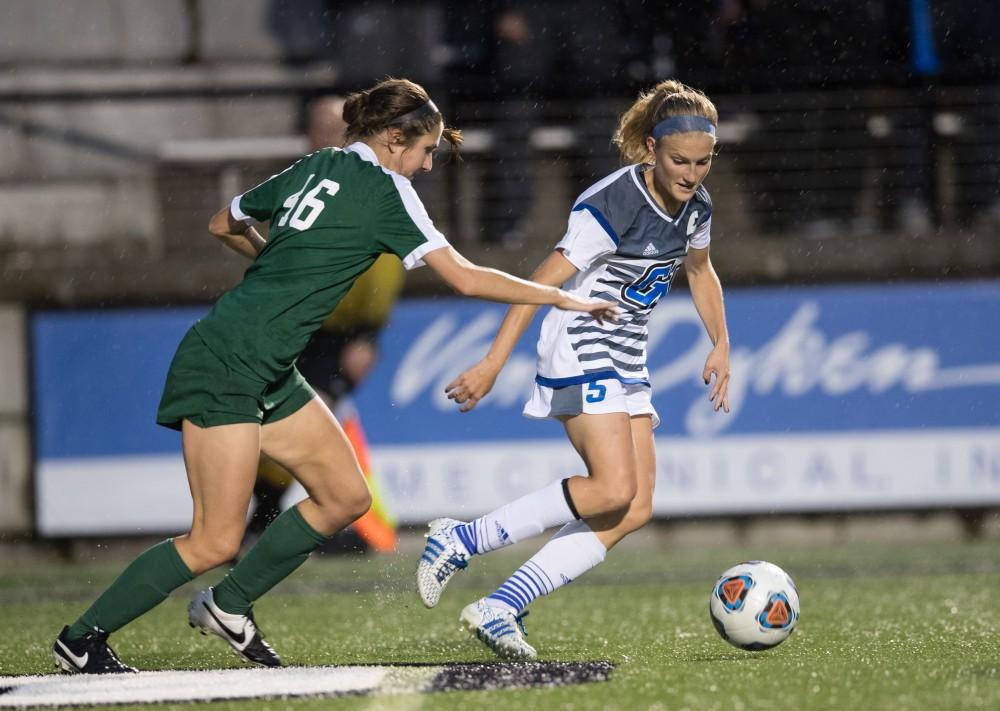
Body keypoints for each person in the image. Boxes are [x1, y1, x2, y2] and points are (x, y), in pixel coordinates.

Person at [51, 77, 618, 675]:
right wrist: (562, 300)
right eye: (425, 152)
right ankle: (81, 637)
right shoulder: (388, 190)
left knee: (345, 497)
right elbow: (468, 278)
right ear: (396, 140)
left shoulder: (318, 163)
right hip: (228, 364)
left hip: (265, 365)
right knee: (214, 540)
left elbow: (223, 222)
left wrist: (281, 262)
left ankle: (229, 604)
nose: (427, 166)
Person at [416, 79, 731, 659]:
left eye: (704, 162)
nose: (691, 174)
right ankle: (461, 539)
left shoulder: (698, 206)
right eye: (679, 161)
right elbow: (539, 282)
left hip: (627, 352)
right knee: (611, 486)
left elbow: (701, 270)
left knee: (633, 507)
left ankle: (501, 605)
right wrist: (493, 361)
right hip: (580, 338)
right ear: (651, 152)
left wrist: (721, 343)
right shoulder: (613, 202)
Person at [246, 94, 404, 553]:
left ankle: (280, 525)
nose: (327, 136)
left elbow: (384, 263)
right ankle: (285, 525)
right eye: (319, 127)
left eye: (335, 127)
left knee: (294, 430)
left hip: (335, 336)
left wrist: (367, 335)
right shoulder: (300, 184)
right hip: (292, 329)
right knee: (271, 429)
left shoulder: (369, 188)